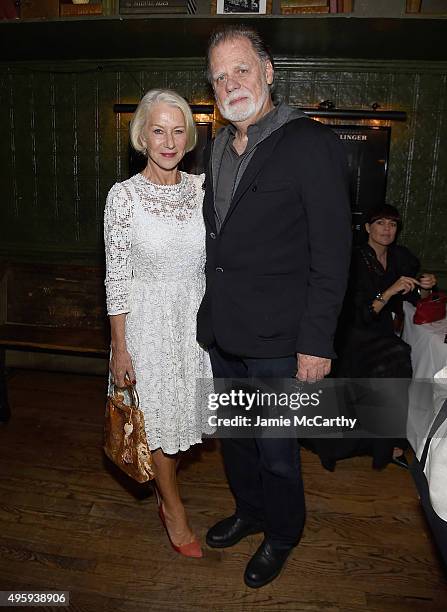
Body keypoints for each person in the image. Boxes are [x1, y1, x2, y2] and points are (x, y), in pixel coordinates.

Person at [196, 25, 352, 587]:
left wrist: (316, 341)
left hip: (283, 342)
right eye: (219, 77)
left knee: (276, 450)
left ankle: (283, 532)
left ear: (268, 71)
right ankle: (251, 511)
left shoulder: (310, 142)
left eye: (241, 69)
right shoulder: (216, 148)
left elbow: (333, 253)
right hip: (225, 335)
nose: (231, 83)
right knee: (237, 442)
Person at [104, 89, 214, 559]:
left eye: (177, 130)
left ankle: (165, 493)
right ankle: (172, 509)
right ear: (142, 137)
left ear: (188, 137)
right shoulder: (123, 197)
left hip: (192, 325)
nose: (168, 141)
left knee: (180, 423)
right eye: (158, 130)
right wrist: (120, 348)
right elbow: (116, 277)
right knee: (158, 428)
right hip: (146, 329)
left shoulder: (203, 190)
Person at [321, 204, 437, 470]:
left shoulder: (401, 257)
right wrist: (390, 289)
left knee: (398, 358)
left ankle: (388, 443)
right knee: (394, 357)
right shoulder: (354, 259)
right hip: (352, 332)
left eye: (392, 224)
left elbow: (415, 297)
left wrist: (425, 288)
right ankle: (377, 442)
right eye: (381, 223)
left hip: (381, 330)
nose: (387, 229)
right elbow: (362, 312)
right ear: (368, 228)